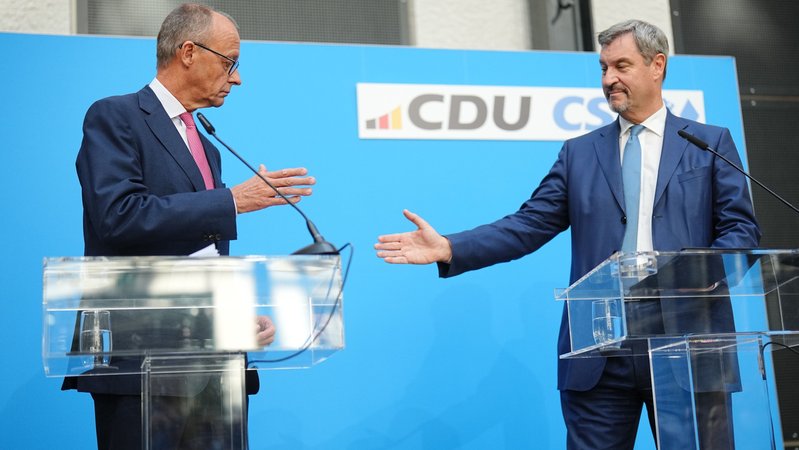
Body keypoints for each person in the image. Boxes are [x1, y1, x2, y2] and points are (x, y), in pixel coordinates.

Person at [375, 19, 760, 449]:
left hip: (688, 342)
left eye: (621, 66)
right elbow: (528, 224)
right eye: (603, 68)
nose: (609, 79)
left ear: (657, 65)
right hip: (600, 350)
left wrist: (683, 278)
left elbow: (741, 233)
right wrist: (450, 246)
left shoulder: (707, 144)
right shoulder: (580, 153)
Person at [63, 3, 316, 449]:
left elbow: (199, 251)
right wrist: (231, 199)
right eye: (230, 62)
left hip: (217, 368)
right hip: (144, 367)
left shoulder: (207, 144)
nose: (236, 78)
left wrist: (232, 314)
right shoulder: (115, 117)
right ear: (188, 52)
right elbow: (119, 217)